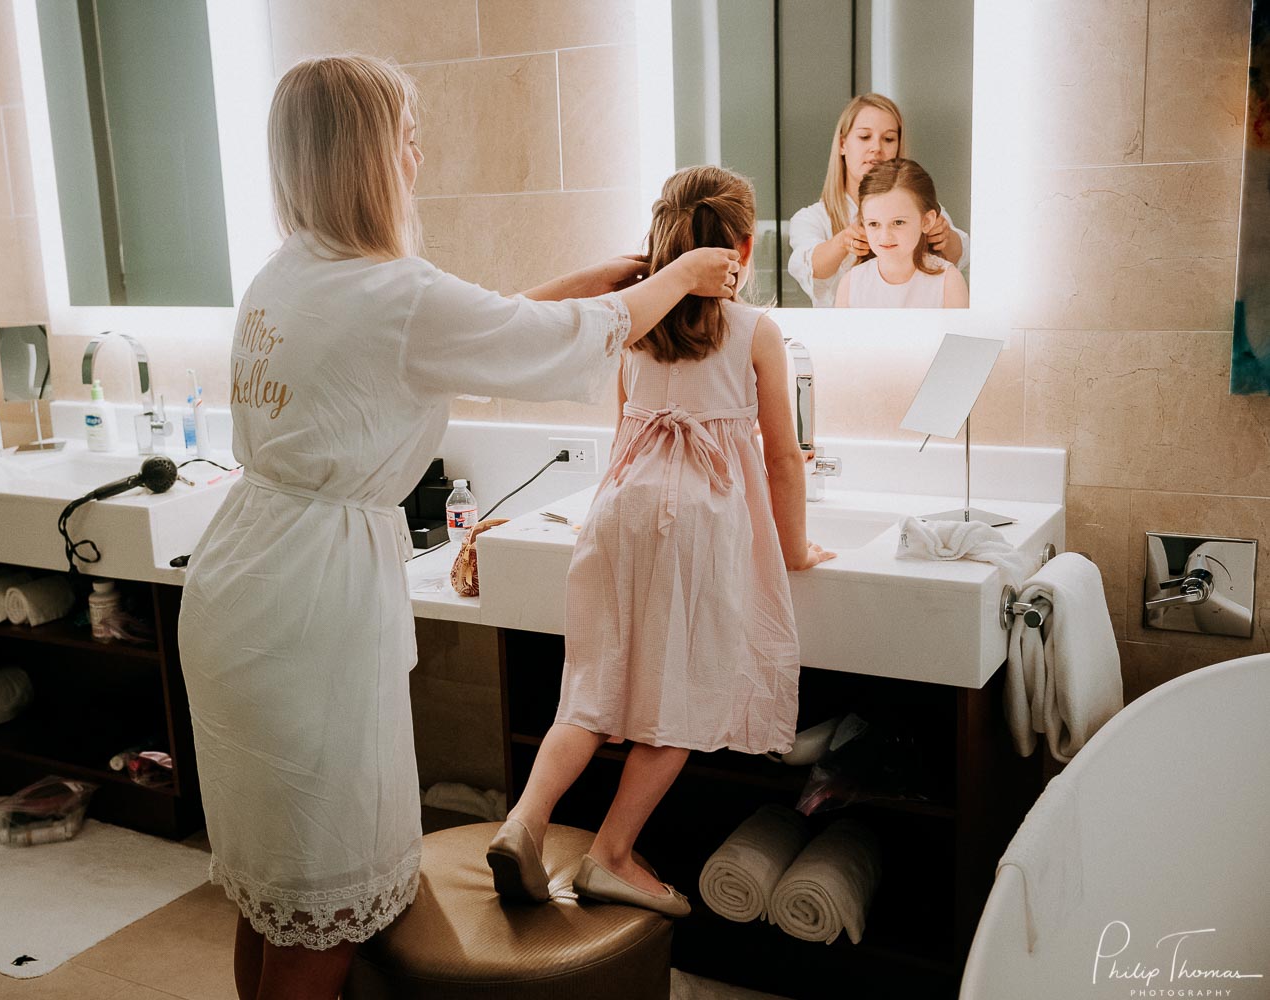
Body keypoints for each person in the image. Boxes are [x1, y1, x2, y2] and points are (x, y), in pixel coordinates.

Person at [176, 55, 742, 1000]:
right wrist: (681, 272)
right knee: (318, 921)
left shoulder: (292, 274)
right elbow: (508, 338)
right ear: (365, 157)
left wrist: (596, 282)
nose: (419, 156)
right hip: (309, 611)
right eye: (405, 138)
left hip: (242, 587)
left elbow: (472, 330)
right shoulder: (388, 294)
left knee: (276, 893)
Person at [485, 165, 836, 917]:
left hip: (618, 511)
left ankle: (524, 823)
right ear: (742, 246)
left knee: (590, 689)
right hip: (696, 529)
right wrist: (797, 550)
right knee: (682, 702)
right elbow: (782, 457)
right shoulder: (754, 330)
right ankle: (610, 853)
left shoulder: (631, 324)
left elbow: (621, 434)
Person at [786, 93, 970, 307]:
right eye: (865, 137)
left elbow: (959, 256)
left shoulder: (923, 211)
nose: (877, 148)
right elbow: (810, 268)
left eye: (889, 139)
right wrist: (842, 241)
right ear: (843, 144)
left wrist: (945, 236)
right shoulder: (813, 221)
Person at [835, 158, 969, 308]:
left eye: (898, 222)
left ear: (926, 221)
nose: (885, 236)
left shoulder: (948, 281)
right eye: (874, 224)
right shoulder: (851, 284)